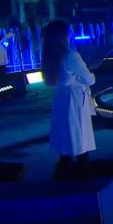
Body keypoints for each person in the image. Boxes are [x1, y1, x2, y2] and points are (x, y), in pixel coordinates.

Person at [42, 20, 96, 179]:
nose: (69, 36)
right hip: (74, 100)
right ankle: (83, 172)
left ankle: (64, 171)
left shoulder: (49, 55)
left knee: (65, 135)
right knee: (79, 135)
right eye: (68, 33)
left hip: (61, 99)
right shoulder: (70, 55)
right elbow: (89, 79)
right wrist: (90, 73)